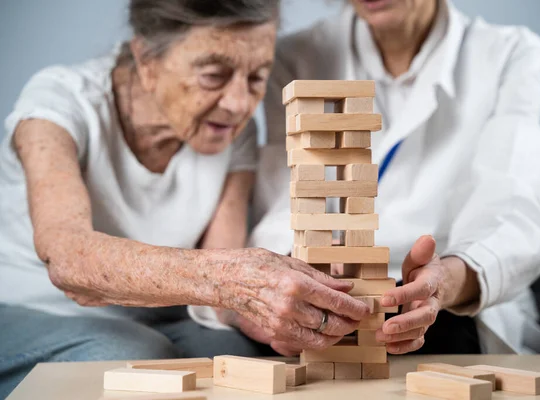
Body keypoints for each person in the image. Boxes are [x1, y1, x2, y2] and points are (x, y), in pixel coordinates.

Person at [0, 1, 370, 396]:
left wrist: (260, 315)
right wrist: (233, 280)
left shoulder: (231, 131)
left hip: (158, 313)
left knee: (234, 352)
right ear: (147, 59)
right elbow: (67, 259)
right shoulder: (59, 102)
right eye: (214, 76)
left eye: (258, 76)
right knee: (132, 351)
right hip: (33, 309)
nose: (240, 104)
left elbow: (222, 286)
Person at [245, 0, 540, 356]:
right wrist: (304, 270)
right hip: (331, 291)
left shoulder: (508, 53)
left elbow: (513, 206)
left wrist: (447, 282)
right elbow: (284, 205)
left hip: (450, 302)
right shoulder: (294, 57)